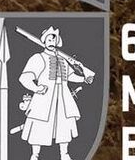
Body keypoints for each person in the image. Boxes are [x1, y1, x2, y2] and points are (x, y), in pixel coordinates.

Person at [18, 26, 89, 160]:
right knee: (39, 124)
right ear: (44, 41)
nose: (51, 42)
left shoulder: (63, 59)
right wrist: (36, 88)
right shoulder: (38, 58)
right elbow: (24, 78)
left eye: (53, 39)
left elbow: (70, 76)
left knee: (64, 123)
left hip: (62, 96)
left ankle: (64, 154)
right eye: (49, 39)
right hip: (44, 97)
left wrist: (84, 79)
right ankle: (34, 155)